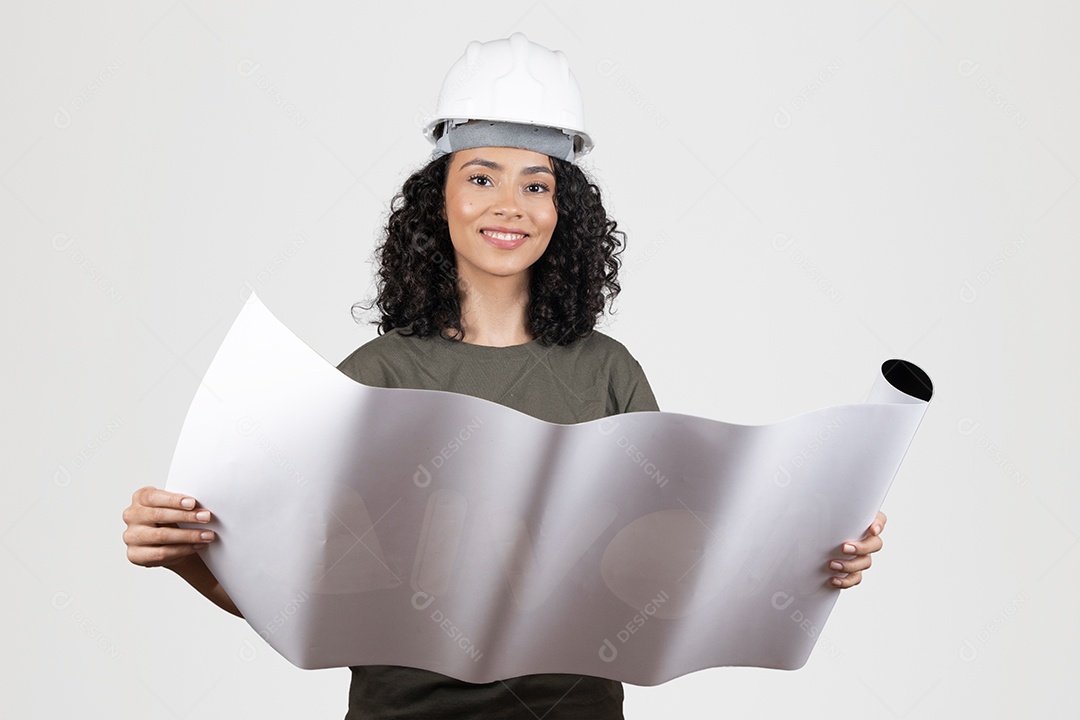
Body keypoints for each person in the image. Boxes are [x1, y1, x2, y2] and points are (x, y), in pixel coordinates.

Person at [123, 33, 888, 719]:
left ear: (564, 210)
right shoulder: (373, 379)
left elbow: (673, 582)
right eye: (481, 177)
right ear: (440, 199)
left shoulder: (608, 375)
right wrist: (187, 553)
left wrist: (813, 557)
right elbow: (298, 596)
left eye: (536, 183)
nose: (509, 206)